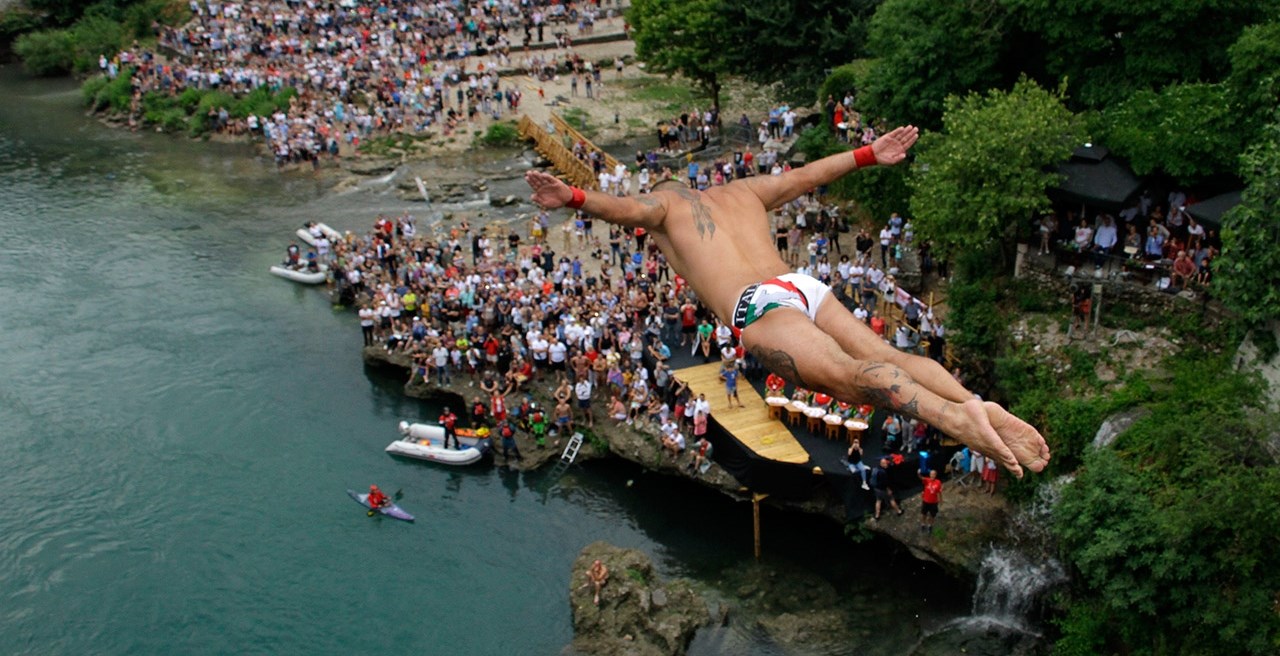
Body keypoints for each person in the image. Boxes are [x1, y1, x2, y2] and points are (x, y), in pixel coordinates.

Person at [524, 127, 1049, 479]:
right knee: (893, 358)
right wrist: (868, 154)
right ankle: (970, 403)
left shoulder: (664, 206)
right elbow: (808, 176)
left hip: (757, 305)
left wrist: (570, 198)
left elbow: (620, 208)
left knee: (849, 375)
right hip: (802, 284)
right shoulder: (742, 192)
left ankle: (955, 421)